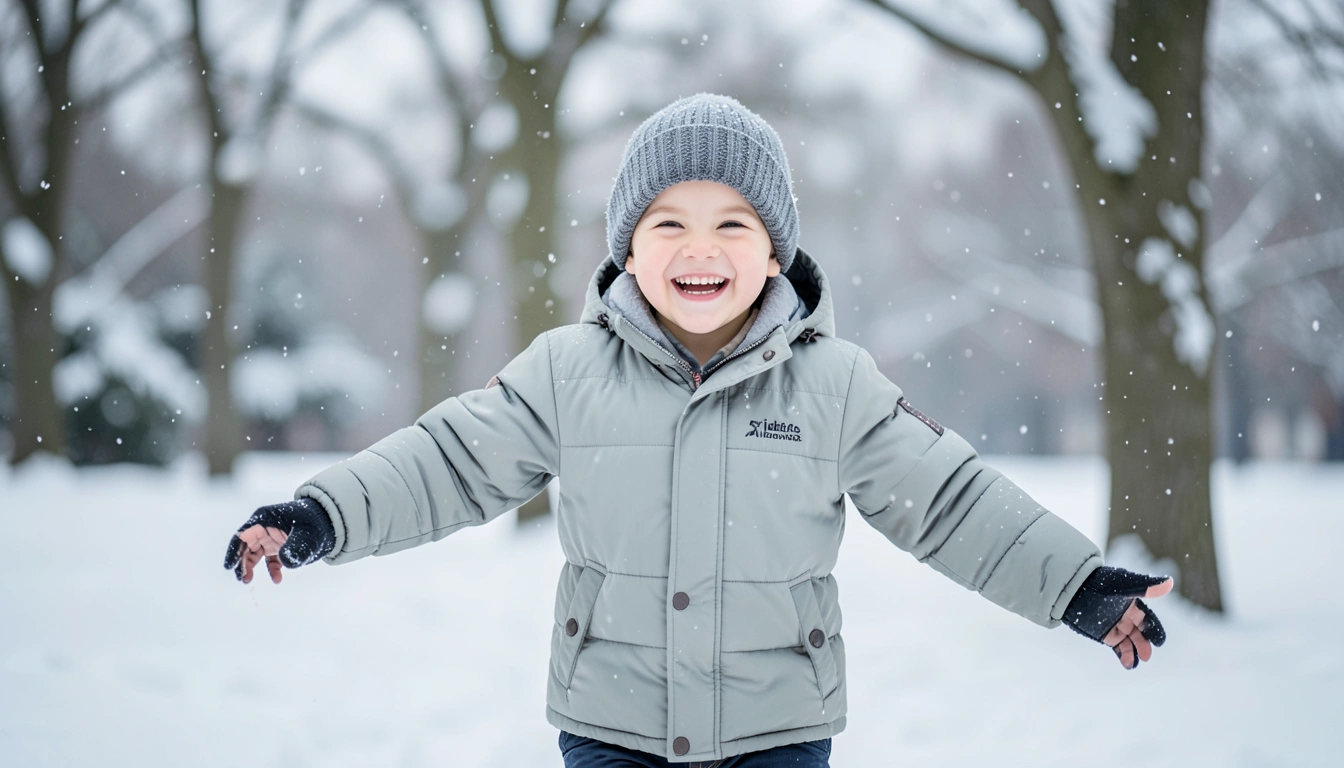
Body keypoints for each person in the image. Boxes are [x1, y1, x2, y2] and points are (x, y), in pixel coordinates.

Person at [224, 94, 1173, 768]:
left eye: (733, 223)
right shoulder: (568, 370)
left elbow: (954, 503)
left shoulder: (832, 384)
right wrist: (319, 516)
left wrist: (1080, 588)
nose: (700, 247)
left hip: (778, 729)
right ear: (629, 249)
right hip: (612, 728)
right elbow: (448, 460)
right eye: (667, 222)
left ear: (774, 253)